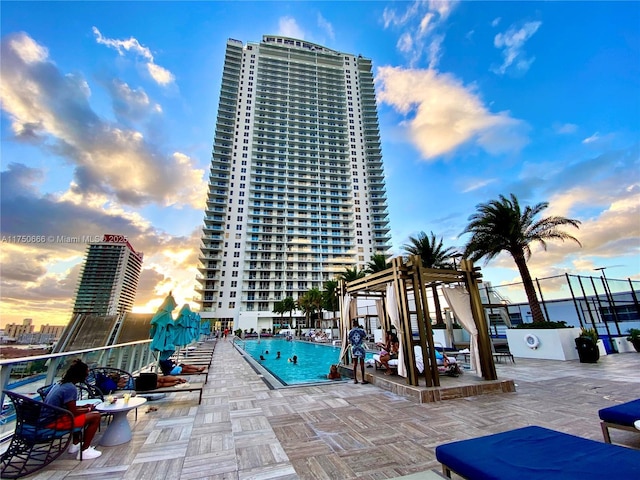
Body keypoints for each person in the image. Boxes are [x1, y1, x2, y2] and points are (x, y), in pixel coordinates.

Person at [43, 359, 102, 460]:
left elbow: (69, 408)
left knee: (86, 413)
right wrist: (88, 409)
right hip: (53, 422)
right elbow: (73, 412)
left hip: (48, 418)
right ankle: (84, 451)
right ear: (80, 375)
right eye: (86, 373)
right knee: (96, 416)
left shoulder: (61, 384)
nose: (87, 376)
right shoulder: (70, 388)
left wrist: (84, 408)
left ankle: (76, 444)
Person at [348, 320, 369, 384]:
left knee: (355, 364)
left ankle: (355, 379)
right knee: (362, 364)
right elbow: (365, 337)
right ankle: (362, 379)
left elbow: (349, 341)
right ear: (358, 324)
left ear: (353, 324)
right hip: (361, 347)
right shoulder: (362, 331)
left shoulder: (350, 332)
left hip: (354, 348)